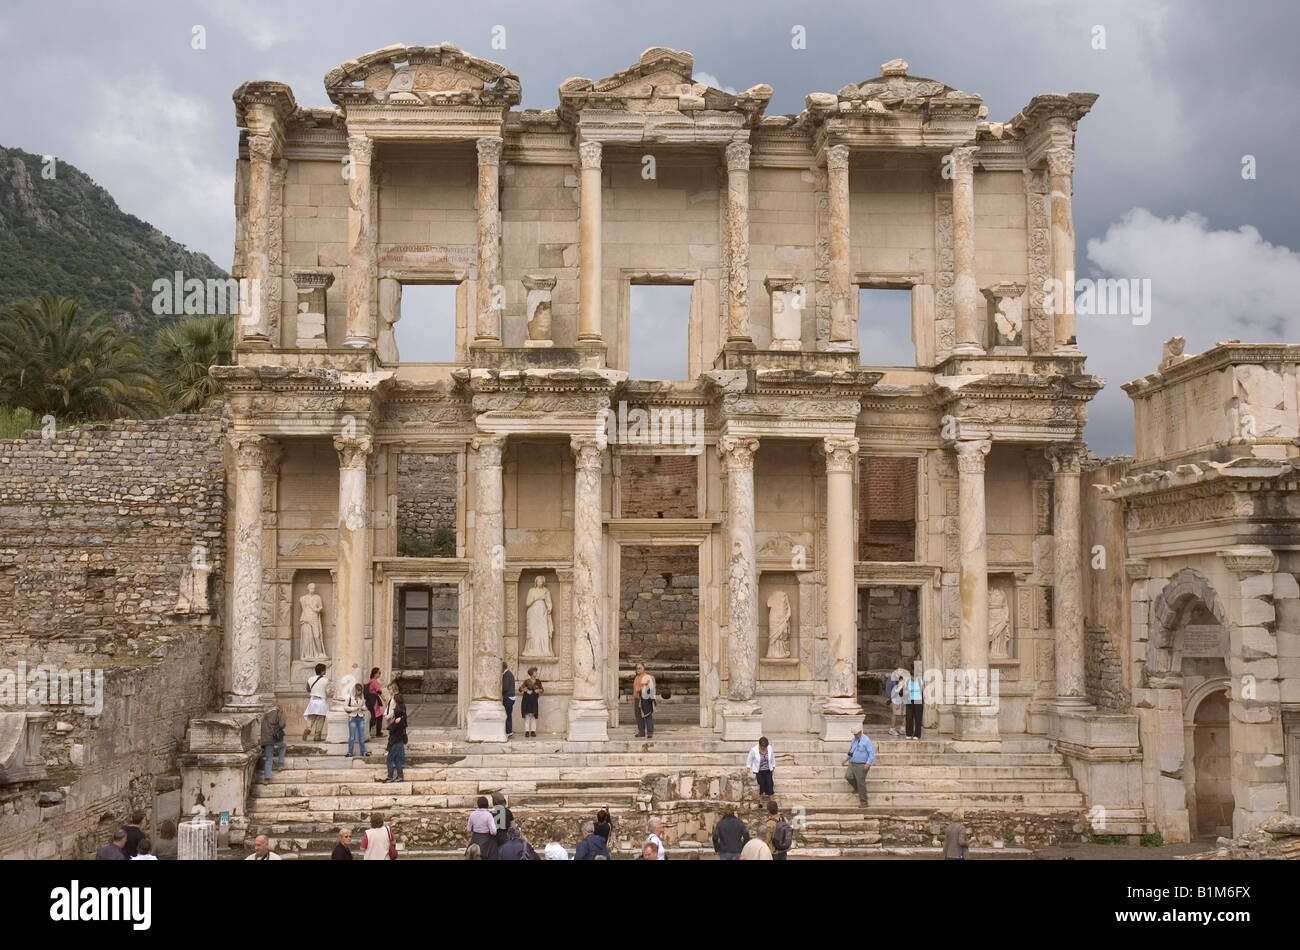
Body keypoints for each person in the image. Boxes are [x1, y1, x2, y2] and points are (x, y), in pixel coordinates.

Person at [843, 724, 875, 806]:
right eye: (854, 734)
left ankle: (864, 802)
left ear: (860, 732)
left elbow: (871, 753)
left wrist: (868, 763)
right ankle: (856, 788)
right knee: (848, 776)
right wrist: (845, 759)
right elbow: (851, 751)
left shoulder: (866, 740)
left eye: (856, 734)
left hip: (862, 764)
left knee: (861, 783)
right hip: (852, 762)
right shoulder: (854, 740)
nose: (855, 735)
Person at [384, 688, 407, 782]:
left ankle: (390, 777)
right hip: (400, 741)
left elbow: (391, 729)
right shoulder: (403, 718)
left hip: (395, 742)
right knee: (397, 760)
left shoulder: (398, 720)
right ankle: (400, 776)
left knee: (389, 759)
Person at [467, 796, 500, 860]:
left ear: (478, 804)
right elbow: (493, 832)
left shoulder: (472, 814)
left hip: (474, 839)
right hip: (486, 840)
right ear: (487, 805)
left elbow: (468, 829)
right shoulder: (488, 815)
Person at [303, 662, 329, 741]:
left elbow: (308, 689)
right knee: (320, 719)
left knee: (311, 717)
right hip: (321, 701)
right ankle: (317, 736)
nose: (325, 671)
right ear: (322, 671)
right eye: (325, 670)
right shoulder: (326, 680)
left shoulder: (310, 679)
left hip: (313, 700)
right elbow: (328, 691)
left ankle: (308, 728)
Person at [261, 704, 286, 782]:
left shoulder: (265, 716)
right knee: (283, 746)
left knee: (269, 758)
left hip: (266, 739)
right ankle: (280, 764)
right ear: (278, 708)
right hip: (275, 738)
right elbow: (282, 724)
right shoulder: (278, 713)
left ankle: (266, 779)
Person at [747, 736, 776, 801]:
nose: (763, 748)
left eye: (765, 747)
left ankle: (772, 801)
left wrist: (773, 766)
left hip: (768, 769)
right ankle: (760, 802)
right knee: (761, 784)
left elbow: (772, 757)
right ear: (759, 745)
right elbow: (749, 759)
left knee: (770, 784)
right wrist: (748, 767)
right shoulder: (754, 750)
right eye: (762, 747)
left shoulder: (769, 748)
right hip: (759, 770)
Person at [632, 662, 655, 739]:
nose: (638, 670)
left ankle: (650, 732)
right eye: (637, 668)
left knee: (647, 715)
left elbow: (651, 688)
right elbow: (634, 689)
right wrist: (634, 699)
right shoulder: (636, 677)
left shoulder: (647, 677)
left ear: (643, 668)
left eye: (640, 668)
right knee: (638, 716)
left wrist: (641, 689)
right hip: (637, 699)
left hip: (645, 699)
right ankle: (641, 732)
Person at [519, 667, 544, 738]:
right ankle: (527, 731)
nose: (536, 673)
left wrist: (538, 690)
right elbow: (520, 689)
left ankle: (533, 731)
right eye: (535, 672)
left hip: (534, 700)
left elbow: (542, 690)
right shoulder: (526, 681)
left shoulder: (538, 681)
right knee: (527, 716)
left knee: (533, 716)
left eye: (536, 672)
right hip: (526, 700)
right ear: (531, 673)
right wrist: (524, 689)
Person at [346, 682, 368, 758]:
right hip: (352, 718)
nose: (359, 692)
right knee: (352, 737)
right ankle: (350, 752)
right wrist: (354, 708)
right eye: (358, 691)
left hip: (360, 717)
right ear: (355, 690)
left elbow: (365, 706)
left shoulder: (362, 697)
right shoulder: (349, 697)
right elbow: (345, 707)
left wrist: (362, 708)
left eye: (360, 691)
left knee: (361, 736)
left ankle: (363, 752)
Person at [905, 666, 924, 740]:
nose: (914, 678)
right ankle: (909, 733)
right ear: (911, 675)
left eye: (915, 676)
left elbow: (923, 691)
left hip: (918, 700)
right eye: (913, 676)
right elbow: (905, 691)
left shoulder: (920, 681)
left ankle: (917, 734)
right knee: (909, 717)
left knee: (918, 718)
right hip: (909, 700)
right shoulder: (907, 681)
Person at [887, 668, 907, 736]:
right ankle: (892, 729)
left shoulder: (903, 679)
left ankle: (902, 729)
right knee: (895, 714)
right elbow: (890, 690)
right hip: (896, 700)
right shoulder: (892, 679)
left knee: (905, 714)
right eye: (899, 671)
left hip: (904, 699)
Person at [366, 667, 385, 738]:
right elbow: (378, 691)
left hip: (372, 699)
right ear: (375, 674)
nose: (380, 674)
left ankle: (377, 732)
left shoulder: (371, 680)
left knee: (378, 716)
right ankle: (368, 731)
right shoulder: (374, 681)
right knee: (374, 717)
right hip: (373, 700)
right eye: (379, 673)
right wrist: (384, 698)